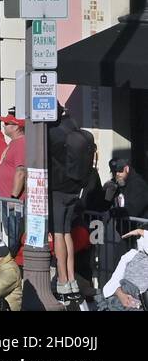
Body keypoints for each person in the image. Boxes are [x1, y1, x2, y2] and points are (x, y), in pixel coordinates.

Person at [48, 104, 97, 297]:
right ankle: (70, 279)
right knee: (67, 232)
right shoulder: (72, 125)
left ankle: (62, 279)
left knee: (58, 233)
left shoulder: (52, 132)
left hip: (58, 188)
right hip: (74, 188)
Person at [98, 228, 148, 310]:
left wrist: (140, 231)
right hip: (124, 300)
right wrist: (121, 294)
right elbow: (112, 283)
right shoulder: (131, 255)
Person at [104, 155, 148, 223]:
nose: (117, 174)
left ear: (127, 169)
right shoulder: (115, 183)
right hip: (123, 229)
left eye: (120, 171)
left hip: (138, 228)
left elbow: (133, 210)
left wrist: (113, 212)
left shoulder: (138, 184)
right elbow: (104, 205)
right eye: (114, 172)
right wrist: (107, 195)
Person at [0, 115, 27, 199]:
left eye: (6, 123)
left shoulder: (21, 144)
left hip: (13, 202)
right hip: (5, 199)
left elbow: (21, 172)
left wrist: (13, 198)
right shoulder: (14, 142)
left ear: (16, 127)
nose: (3, 125)